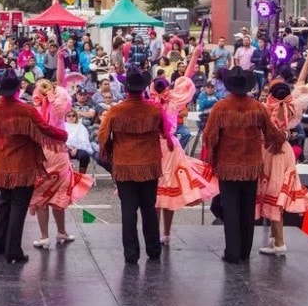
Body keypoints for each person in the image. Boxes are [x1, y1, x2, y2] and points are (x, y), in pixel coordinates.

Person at [0, 69, 67, 264]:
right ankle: (13, 250)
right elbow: (45, 130)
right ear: (18, 89)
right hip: (23, 167)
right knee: (19, 205)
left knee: (4, 201)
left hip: (1, 165)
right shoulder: (26, 111)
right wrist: (63, 136)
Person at [203, 66, 284, 264]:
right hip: (252, 167)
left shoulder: (221, 107)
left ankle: (232, 253)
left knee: (230, 211)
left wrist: (213, 158)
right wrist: (279, 141)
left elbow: (209, 136)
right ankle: (245, 253)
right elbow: (273, 133)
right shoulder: (257, 107)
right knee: (247, 210)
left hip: (228, 166)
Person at [98, 67, 171, 263]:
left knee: (128, 211)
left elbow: (103, 138)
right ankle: (153, 250)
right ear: (143, 88)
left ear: (126, 88)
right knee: (149, 208)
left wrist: (113, 150)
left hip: (124, 166)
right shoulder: (155, 109)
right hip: (149, 165)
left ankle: (131, 254)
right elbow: (166, 132)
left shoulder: (115, 111)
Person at [257, 48, 308, 256]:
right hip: (284, 152)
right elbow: (301, 83)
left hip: (271, 152)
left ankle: (280, 242)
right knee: (277, 195)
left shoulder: (267, 110)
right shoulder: (292, 106)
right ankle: (275, 238)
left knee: (274, 196)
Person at [153, 45, 218, 245]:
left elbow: (187, 78)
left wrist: (196, 56)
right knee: (163, 192)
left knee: (160, 192)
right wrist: (195, 56)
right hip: (166, 147)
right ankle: (164, 233)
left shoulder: (156, 103)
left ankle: (161, 233)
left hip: (162, 147)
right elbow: (187, 78)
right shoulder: (171, 101)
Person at [29, 51, 93, 249]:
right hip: (59, 153)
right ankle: (62, 232)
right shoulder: (58, 107)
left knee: (40, 195)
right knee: (58, 195)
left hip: (41, 154)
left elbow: (60, 86)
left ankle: (44, 236)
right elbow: (62, 85)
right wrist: (59, 59)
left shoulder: (35, 110)